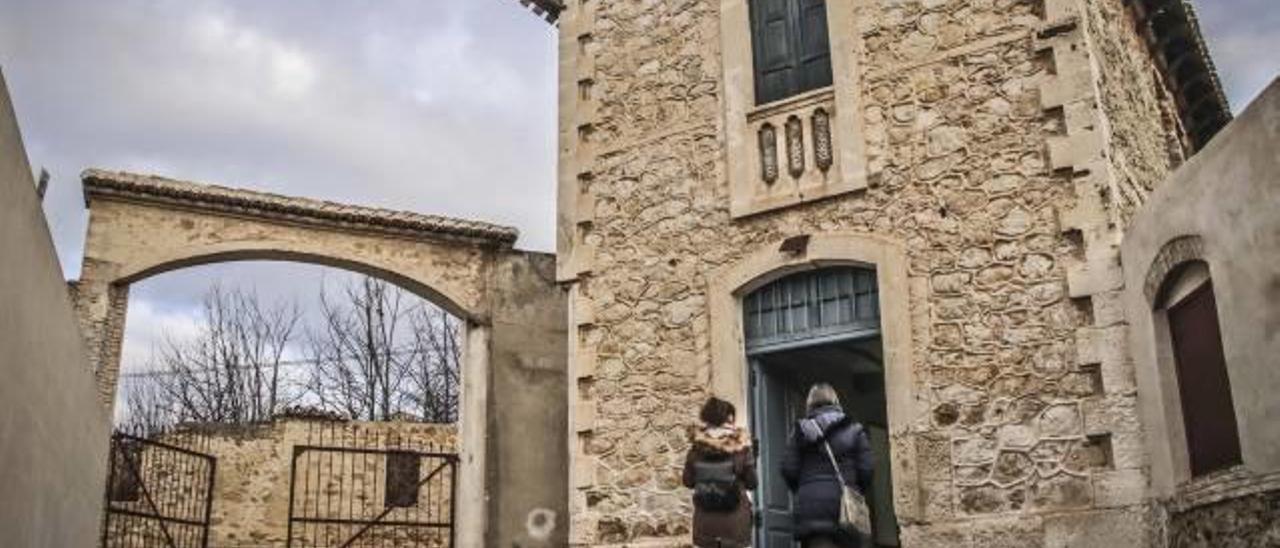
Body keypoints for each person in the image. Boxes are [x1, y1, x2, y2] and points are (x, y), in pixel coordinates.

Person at [781, 383, 874, 548]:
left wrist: (804, 488)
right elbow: (867, 469)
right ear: (835, 401)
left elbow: (788, 469)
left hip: (811, 507)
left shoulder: (799, 431)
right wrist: (854, 489)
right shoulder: (854, 429)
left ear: (809, 404)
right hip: (845, 505)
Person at [682, 396, 756, 547]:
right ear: (729, 417)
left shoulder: (696, 448)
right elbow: (752, 483)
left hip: (705, 522)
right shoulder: (741, 447)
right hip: (735, 522)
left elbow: (687, 482)